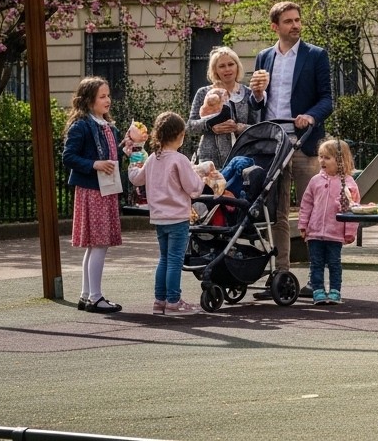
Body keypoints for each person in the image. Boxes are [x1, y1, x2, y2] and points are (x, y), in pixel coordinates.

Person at [248, 1, 333, 296]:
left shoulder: (316, 55)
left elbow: (327, 100)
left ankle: (316, 281)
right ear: (275, 26)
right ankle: (281, 276)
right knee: (278, 214)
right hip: (273, 145)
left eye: (297, 20)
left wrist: (310, 116)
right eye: (288, 21)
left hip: (304, 144)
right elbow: (256, 104)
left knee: (314, 213)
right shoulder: (264, 57)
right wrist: (257, 93)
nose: (295, 25)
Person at [61, 77, 128, 314]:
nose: (108, 100)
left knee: (96, 246)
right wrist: (94, 164)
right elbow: (68, 157)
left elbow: (111, 153)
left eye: (108, 95)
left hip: (105, 189)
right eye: (102, 96)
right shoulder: (81, 125)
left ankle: (86, 295)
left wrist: (126, 148)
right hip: (93, 191)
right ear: (88, 100)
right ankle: (95, 297)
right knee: (98, 244)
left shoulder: (107, 125)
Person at [127, 111, 205, 316]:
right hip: (178, 217)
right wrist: (203, 177)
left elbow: (136, 178)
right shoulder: (180, 160)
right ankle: (173, 300)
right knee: (175, 259)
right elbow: (194, 188)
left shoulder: (153, 158)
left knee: (164, 258)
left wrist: (132, 160)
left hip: (159, 217)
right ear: (180, 135)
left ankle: (159, 300)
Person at [297, 138, 361, 305]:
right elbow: (306, 204)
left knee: (334, 263)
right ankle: (318, 290)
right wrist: (303, 224)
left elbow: (353, 209)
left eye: (327, 157)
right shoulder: (315, 181)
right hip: (315, 231)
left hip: (335, 232)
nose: (322, 161)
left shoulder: (348, 184)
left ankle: (334, 290)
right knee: (316, 263)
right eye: (321, 157)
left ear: (340, 160)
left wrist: (349, 232)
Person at [187, 46, 257, 170]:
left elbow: (258, 128)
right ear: (215, 70)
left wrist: (239, 128)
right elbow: (191, 126)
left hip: (240, 160)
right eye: (222, 66)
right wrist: (210, 124)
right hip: (209, 161)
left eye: (231, 64)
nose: (227, 69)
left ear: (237, 66)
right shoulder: (203, 93)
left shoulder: (248, 93)